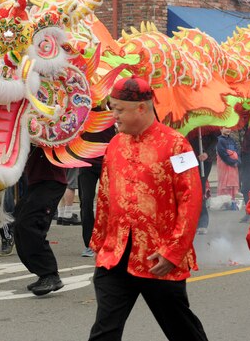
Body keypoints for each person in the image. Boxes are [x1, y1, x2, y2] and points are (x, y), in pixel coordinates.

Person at [87, 76, 207, 341]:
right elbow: (105, 194)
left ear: (141, 107)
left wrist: (174, 251)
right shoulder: (115, 144)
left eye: (118, 109)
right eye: (112, 108)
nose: (113, 115)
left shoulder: (178, 145)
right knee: (104, 330)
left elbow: (191, 199)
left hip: (157, 258)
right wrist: (101, 242)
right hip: (116, 255)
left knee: (181, 329)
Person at [14, 146, 67, 296]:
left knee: (30, 224)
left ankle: (50, 275)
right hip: (36, 181)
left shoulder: (45, 124)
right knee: (19, 224)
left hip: (51, 181)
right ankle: (42, 273)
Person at [78, 107, 116, 257]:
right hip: (86, 161)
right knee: (86, 203)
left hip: (107, 161)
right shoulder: (83, 104)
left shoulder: (111, 106)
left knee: (110, 202)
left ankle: (110, 240)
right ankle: (89, 244)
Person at [216, 127, 241, 207]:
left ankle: (232, 200)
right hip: (225, 164)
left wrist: (238, 161)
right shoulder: (219, 140)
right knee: (225, 182)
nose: (228, 129)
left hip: (233, 164)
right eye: (225, 128)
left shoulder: (232, 140)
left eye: (229, 128)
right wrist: (232, 162)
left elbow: (237, 151)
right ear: (220, 129)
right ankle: (226, 202)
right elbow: (222, 154)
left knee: (232, 182)